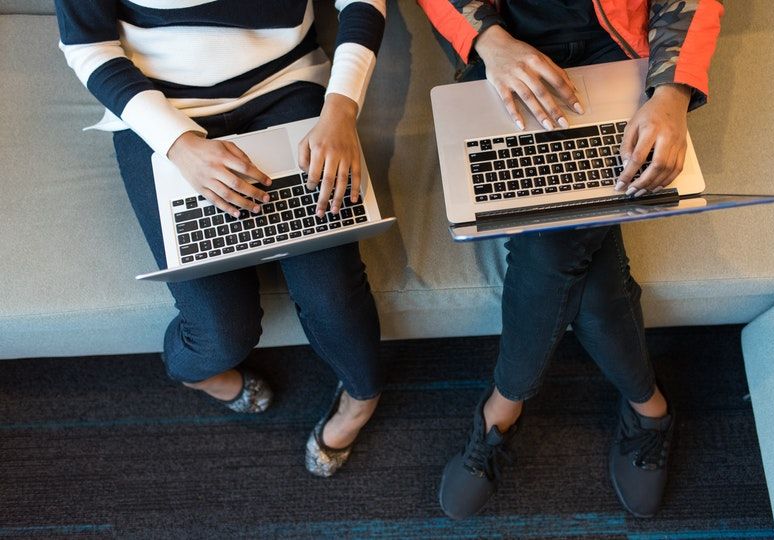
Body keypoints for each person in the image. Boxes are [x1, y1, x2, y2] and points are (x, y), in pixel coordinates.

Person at [54, 0, 387, 477]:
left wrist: (341, 109)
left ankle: (362, 400)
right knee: (219, 332)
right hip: (160, 103)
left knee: (333, 292)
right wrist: (178, 144)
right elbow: (88, 46)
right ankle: (199, 377)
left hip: (286, 84)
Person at [418, 0, 723, 519]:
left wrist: (671, 93)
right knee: (582, 260)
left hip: (619, 53)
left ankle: (503, 409)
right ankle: (649, 407)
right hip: (508, 52)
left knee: (553, 245)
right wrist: (490, 41)